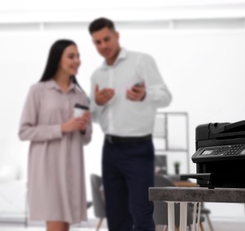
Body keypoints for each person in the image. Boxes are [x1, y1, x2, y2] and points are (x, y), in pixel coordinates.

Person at [88, 17, 172, 231]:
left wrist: (145, 94)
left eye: (106, 39)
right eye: (97, 42)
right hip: (110, 150)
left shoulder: (141, 61)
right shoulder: (97, 75)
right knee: (116, 217)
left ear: (116, 36)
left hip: (138, 149)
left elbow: (165, 96)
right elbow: (95, 117)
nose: (103, 46)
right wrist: (97, 102)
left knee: (141, 214)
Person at [18, 39, 92, 231]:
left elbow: (86, 139)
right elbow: (24, 131)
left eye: (78, 56)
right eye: (71, 56)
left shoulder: (81, 96)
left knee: (64, 227)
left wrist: (83, 127)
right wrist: (61, 128)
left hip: (72, 169)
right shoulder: (38, 91)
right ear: (57, 59)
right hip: (47, 168)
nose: (77, 60)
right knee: (56, 225)